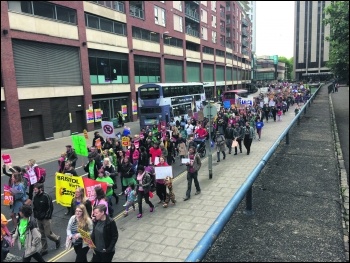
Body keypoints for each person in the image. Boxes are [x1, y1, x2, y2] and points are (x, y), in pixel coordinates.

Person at [32, 183, 60, 256]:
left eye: (36, 189)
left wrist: (47, 216)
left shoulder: (46, 196)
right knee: (41, 234)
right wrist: (36, 216)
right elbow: (34, 208)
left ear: (40, 189)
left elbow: (50, 207)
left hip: (45, 219)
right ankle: (44, 249)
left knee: (47, 234)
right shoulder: (35, 197)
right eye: (34, 189)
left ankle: (57, 239)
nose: (34, 191)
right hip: (38, 219)